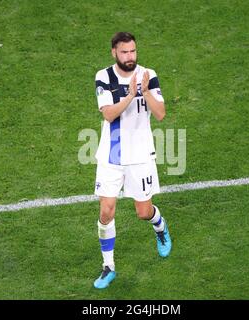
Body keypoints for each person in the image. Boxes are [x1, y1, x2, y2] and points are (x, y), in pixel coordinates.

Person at [93, 32, 172, 289]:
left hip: (140, 156)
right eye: (125, 52)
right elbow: (108, 114)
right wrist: (128, 96)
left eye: (133, 51)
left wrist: (146, 91)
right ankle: (108, 266)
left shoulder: (149, 74)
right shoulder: (103, 77)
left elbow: (160, 114)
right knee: (106, 210)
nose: (130, 57)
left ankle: (159, 226)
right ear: (114, 52)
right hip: (111, 155)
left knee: (143, 212)